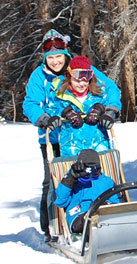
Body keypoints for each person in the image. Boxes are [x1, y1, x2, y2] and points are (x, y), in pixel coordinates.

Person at [22, 29, 121, 243]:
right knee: (54, 181)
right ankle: (53, 227)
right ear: (45, 58)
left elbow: (110, 89)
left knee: (99, 175)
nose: (56, 61)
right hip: (55, 137)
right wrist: (45, 119)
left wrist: (109, 111)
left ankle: (111, 212)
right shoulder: (39, 76)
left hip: (88, 136)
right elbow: (30, 104)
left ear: (66, 55)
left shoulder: (82, 69)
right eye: (51, 58)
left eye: (59, 56)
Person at [47, 55, 121, 157]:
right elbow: (51, 110)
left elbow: (112, 101)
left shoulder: (99, 94)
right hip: (72, 149)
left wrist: (105, 111)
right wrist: (65, 112)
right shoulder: (59, 95)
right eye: (77, 80)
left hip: (99, 148)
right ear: (69, 77)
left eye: (85, 80)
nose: (82, 84)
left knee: (102, 172)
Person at [53, 149, 120, 234]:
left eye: (96, 171)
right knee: (91, 219)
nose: (91, 175)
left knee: (108, 214)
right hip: (79, 217)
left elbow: (116, 202)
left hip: (104, 215)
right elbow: (59, 201)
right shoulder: (73, 182)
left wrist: (108, 205)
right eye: (87, 172)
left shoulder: (107, 181)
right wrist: (70, 178)